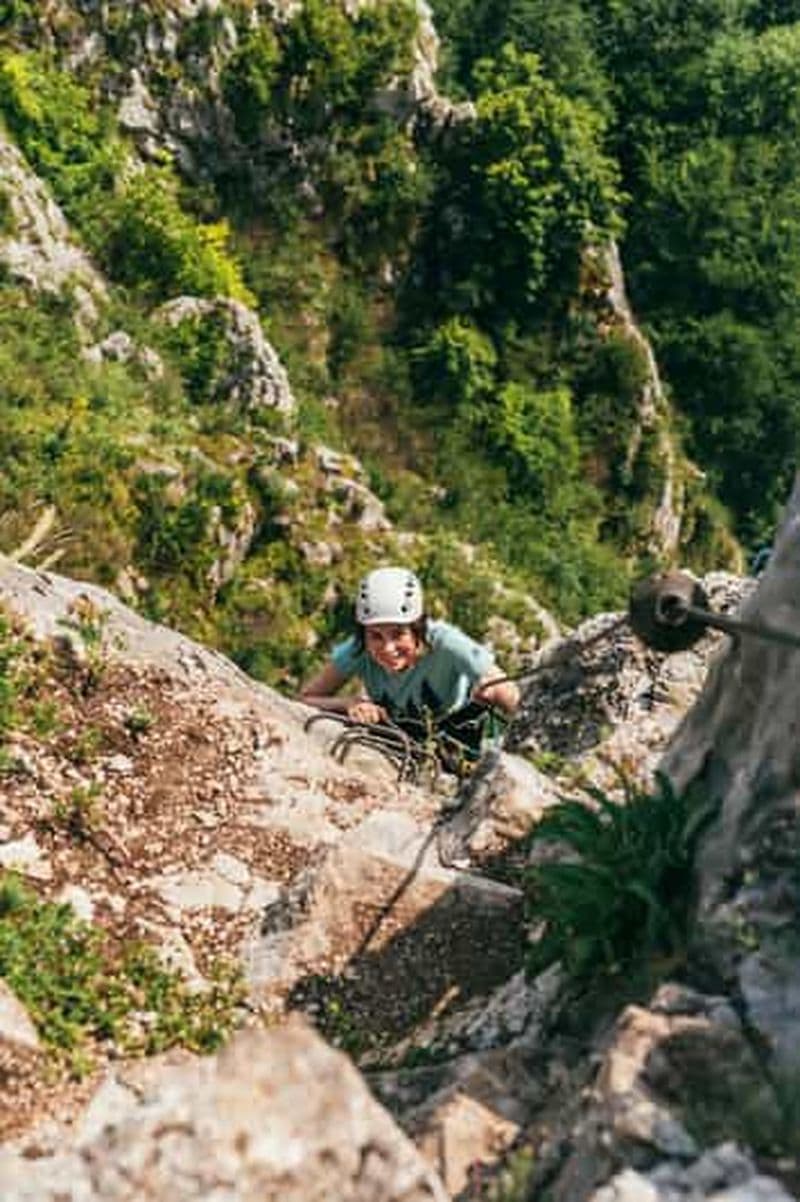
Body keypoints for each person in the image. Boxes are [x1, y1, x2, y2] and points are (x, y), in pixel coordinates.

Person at [299, 566, 520, 757]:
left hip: (457, 737)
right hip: (397, 738)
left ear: (418, 628)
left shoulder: (446, 642)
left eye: (398, 634)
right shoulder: (358, 649)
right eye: (376, 635)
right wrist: (348, 704)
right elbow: (305, 699)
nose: (388, 648)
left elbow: (509, 691)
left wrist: (493, 693)